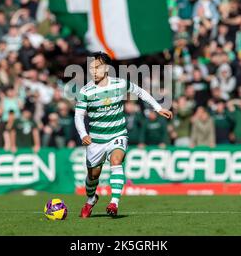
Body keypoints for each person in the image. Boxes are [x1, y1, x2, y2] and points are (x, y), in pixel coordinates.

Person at [74, 52, 172, 218]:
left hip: (117, 134)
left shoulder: (120, 84)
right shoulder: (86, 91)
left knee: (116, 160)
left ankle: (114, 202)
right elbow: (78, 115)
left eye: (96, 67)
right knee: (93, 176)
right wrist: (83, 134)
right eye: (91, 68)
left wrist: (158, 107)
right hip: (96, 140)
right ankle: (91, 199)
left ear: (106, 68)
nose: (93, 71)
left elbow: (140, 92)